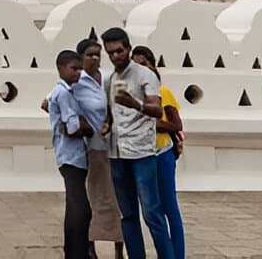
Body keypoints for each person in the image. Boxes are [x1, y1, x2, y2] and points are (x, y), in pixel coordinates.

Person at [100, 28, 172, 259]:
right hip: (117, 153)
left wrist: (134, 104)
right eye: (110, 53)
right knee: (127, 215)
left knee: (152, 212)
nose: (115, 56)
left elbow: (157, 109)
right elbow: (110, 115)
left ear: (128, 49)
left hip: (141, 152)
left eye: (119, 51)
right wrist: (105, 126)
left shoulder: (144, 75)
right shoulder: (109, 79)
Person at [131, 46, 184, 259]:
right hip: (140, 155)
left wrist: (149, 121)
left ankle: (178, 254)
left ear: (152, 64)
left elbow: (175, 125)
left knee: (169, 207)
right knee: (150, 210)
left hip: (162, 153)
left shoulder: (163, 92)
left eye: (143, 63)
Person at [75, 38, 123, 259]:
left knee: (117, 199)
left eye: (97, 54)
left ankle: (119, 248)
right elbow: (51, 103)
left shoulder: (107, 78)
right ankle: (90, 246)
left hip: (113, 146)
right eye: (89, 55)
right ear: (80, 58)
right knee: (94, 198)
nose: (94, 58)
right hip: (90, 149)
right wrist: (80, 125)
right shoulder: (75, 81)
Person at [49, 50, 93, 259]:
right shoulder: (65, 93)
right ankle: (77, 252)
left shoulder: (62, 91)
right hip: (71, 155)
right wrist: (92, 126)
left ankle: (74, 251)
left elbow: (46, 106)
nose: (77, 73)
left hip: (70, 155)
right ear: (60, 68)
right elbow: (72, 127)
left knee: (76, 206)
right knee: (81, 208)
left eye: (79, 69)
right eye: (73, 69)